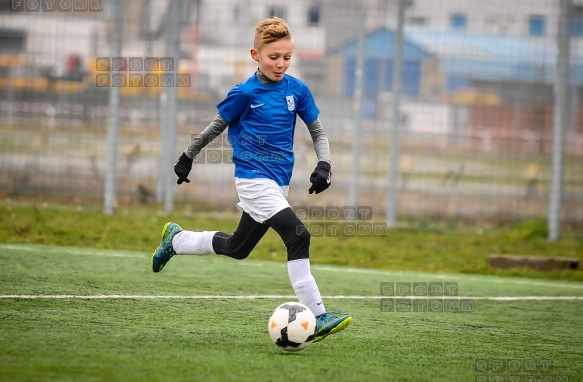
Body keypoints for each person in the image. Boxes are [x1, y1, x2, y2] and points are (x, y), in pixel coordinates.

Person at [152, 17, 352, 342]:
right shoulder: (244, 92)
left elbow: (317, 131)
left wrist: (324, 164)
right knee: (298, 235)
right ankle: (318, 315)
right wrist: (187, 157)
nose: (281, 63)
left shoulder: (297, 90)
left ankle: (175, 240)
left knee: (237, 247)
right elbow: (213, 128)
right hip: (253, 180)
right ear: (255, 54)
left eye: (287, 57)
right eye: (274, 57)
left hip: (278, 184)